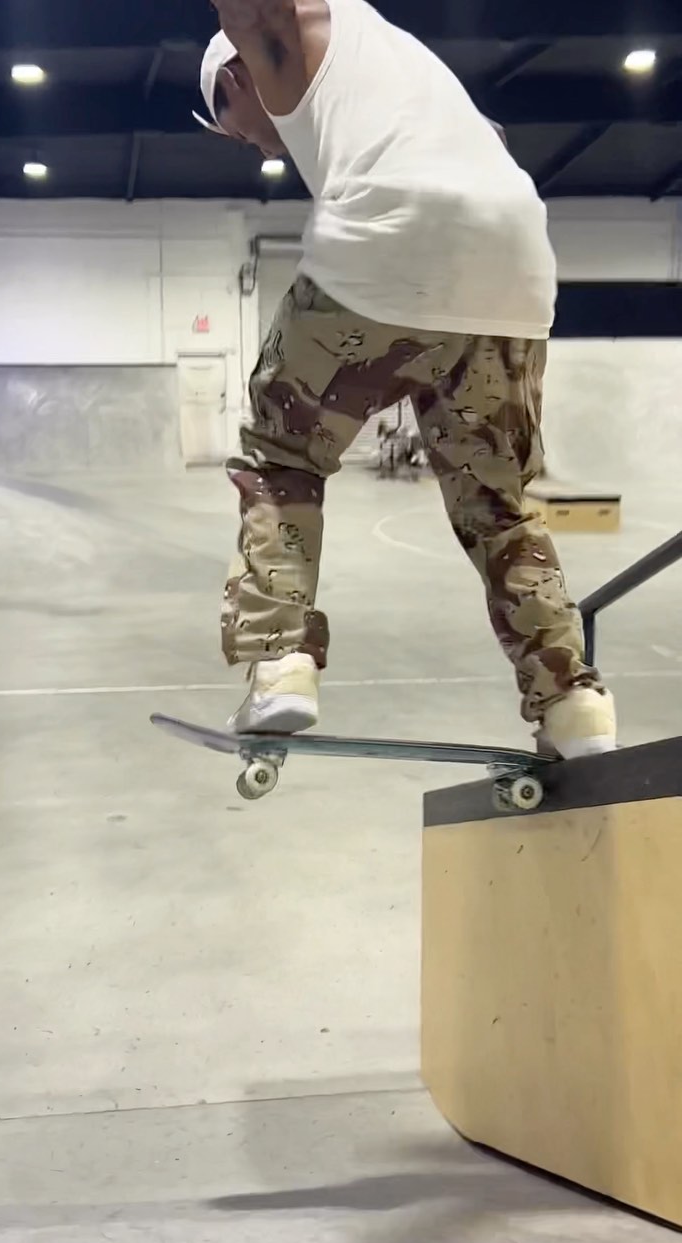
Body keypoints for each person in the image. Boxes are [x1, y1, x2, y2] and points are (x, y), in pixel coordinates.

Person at [194, 0, 617, 759]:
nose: (253, 142)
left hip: (388, 242)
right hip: (514, 264)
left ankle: (280, 663)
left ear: (235, 73)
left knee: (281, 455)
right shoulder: (401, 65)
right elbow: (490, 139)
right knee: (499, 505)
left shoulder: (284, 36)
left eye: (236, 126)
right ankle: (571, 702)